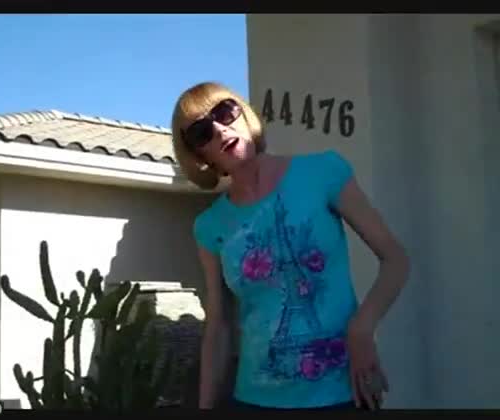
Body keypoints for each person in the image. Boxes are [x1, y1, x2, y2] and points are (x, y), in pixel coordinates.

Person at [170, 81, 410, 410]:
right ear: (199, 155)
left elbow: (395, 259)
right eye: (202, 133)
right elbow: (219, 325)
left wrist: (362, 328)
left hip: (343, 394)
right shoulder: (210, 226)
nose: (220, 129)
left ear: (244, 115)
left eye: (224, 112)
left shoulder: (323, 172)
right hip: (255, 401)